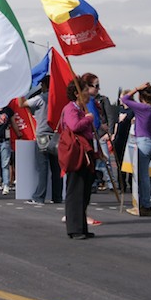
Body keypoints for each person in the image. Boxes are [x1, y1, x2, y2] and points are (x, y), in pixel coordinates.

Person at [63, 73, 100, 238]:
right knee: (76, 190)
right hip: (77, 152)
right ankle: (74, 229)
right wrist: (88, 119)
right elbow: (74, 126)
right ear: (77, 93)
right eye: (85, 89)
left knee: (85, 191)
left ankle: (82, 227)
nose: (89, 93)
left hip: (86, 151)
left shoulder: (82, 109)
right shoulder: (70, 109)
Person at [121, 83, 151, 216]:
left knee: (141, 177)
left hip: (142, 142)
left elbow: (124, 99)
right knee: (144, 176)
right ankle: (144, 204)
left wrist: (136, 88)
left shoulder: (141, 108)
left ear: (140, 96)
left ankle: (144, 206)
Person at [22, 76, 62, 205]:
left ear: (44, 85)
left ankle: (39, 196)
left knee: (43, 168)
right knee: (56, 169)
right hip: (56, 136)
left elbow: (22, 104)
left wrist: (20, 90)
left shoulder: (40, 98)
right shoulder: (59, 99)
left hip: (42, 136)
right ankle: (57, 196)